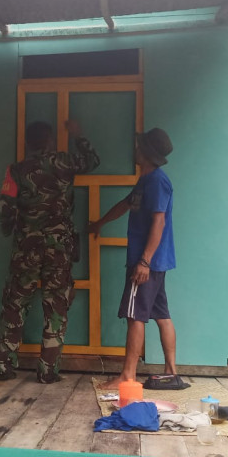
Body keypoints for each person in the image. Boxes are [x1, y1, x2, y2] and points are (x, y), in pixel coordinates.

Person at [0, 120, 100, 383]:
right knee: (56, 306)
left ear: (28, 143)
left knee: (15, 303)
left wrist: (10, 231)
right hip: (59, 247)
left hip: (26, 247)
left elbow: (4, 208)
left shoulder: (17, 170)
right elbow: (93, 160)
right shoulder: (64, 162)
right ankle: (47, 371)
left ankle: (5, 366)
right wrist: (79, 136)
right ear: (50, 140)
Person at [88, 127, 188, 390]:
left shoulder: (156, 181)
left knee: (135, 316)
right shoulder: (146, 181)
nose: (134, 148)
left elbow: (159, 222)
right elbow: (125, 204)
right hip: (157, 262)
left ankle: (128, 376)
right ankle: (171, 372)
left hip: (147, 262)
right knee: (161, 314)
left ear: (145, 152)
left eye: (138, 145)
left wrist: (144, 261)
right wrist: (99, 223)